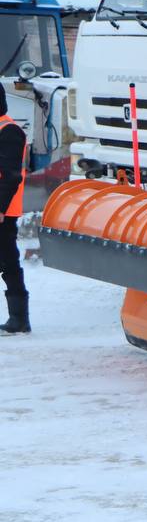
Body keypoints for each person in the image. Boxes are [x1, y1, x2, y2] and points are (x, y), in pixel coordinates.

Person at [0, 83, 30, 335]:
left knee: (8, 261)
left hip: (3, 211)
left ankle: (19, 318)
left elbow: (10, 176)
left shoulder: (9, 131)